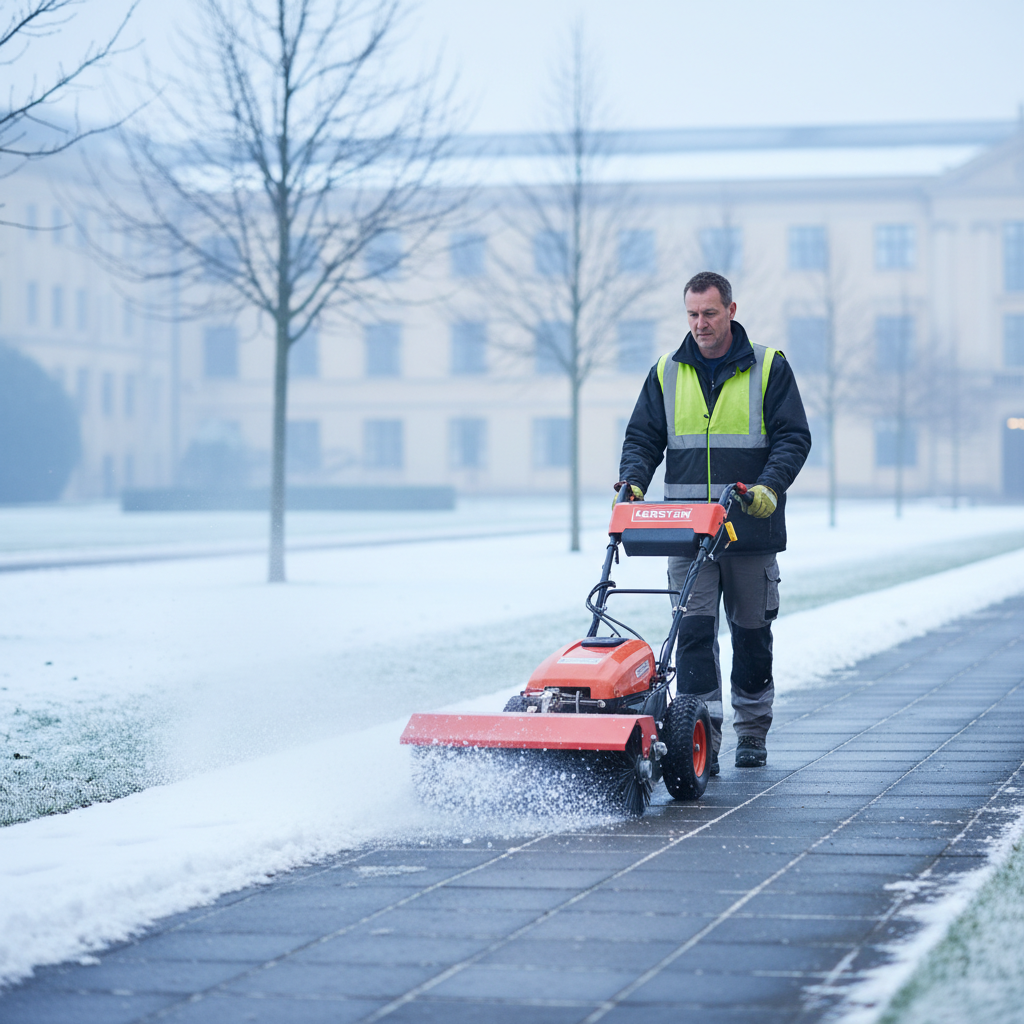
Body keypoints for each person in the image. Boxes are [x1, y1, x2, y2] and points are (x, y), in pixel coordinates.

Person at [616, 271, 811, 772]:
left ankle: (752, 730)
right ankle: (702, 737)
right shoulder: (666, 371)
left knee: (751, 636)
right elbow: (643, 438)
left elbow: (793, 437)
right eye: (692, 314)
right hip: (686, 534)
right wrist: (632, 481)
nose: (700, 324)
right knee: (695, 636)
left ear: (731, 310)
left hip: (749, 529)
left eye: (709, 313)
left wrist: (769, 486)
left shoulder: (769, 368)